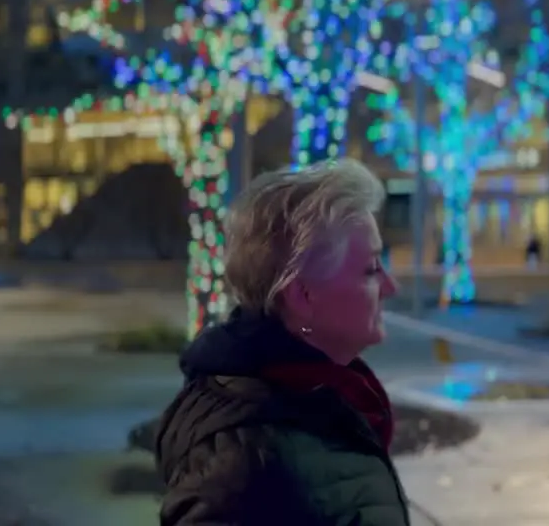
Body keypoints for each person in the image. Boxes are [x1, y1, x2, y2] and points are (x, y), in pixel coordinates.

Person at [155, 159, 408, 525]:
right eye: (370, 269)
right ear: (303, 295)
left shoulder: (330, 397)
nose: (390, 287)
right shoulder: (241, 461)